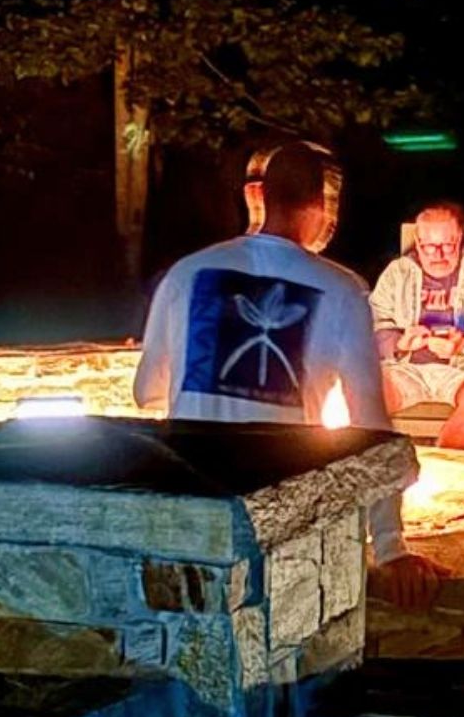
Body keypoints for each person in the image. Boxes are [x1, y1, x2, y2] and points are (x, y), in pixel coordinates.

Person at [135, 140, 441, 605]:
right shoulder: (341, 290)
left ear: (262, 197)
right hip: (283, 519)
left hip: (195, 515)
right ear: (323, 205)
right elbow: (371, 424)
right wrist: (389, 546)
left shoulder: (187, 274)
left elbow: (147, 391)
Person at [368, 202, 464, 448]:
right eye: (430, 247)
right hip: (405, 369)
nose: (438, 255)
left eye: (447, 246)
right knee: (366, 390)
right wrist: (400, 342)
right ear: (418, 244)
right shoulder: (397, 273)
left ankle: (444, 461)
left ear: (459, 239)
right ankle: (376, 464)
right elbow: (374, 322)